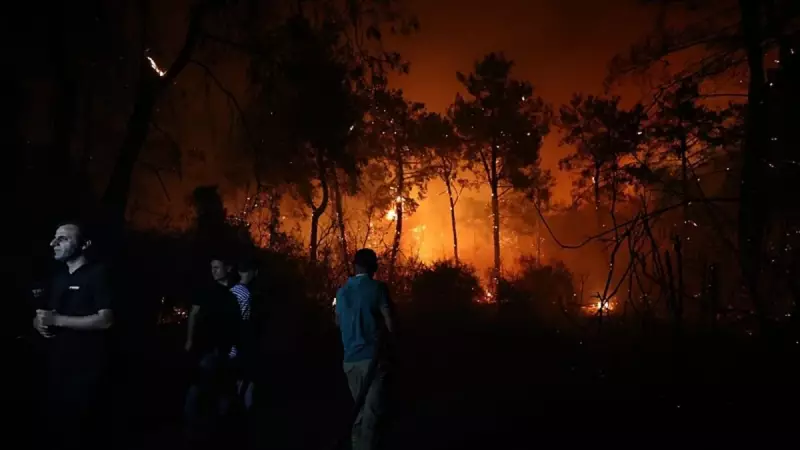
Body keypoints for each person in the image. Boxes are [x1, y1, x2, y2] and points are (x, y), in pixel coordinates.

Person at [33, 221, 115, 449]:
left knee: (81, 430)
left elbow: (106, 320)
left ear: (85, 244)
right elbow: (46, 313)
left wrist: (57, 320)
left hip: (86, 370)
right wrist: (37, 323)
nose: (54, 243)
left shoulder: (98, 274)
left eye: (64, 239)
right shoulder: (58, 278)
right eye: (54, 237)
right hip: (57, 365)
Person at [334, 248, 394, 450]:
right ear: (373, 267)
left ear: (355, 266)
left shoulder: (341, 291)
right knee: (372, 412)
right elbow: (391, 324)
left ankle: (356, 445)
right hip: (372, 360)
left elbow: (337, 321)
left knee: (359, 411)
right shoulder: (378, 289)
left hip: (349, 361)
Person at [183, 256, 242, 441]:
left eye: (217, 267)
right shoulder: (207, 291)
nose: (214, 271)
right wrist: (190, 340)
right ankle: (193, 429)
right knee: (199, 388)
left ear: (228, 268)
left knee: (220, 391)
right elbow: (194, 313)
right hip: (206, 348)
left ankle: (214, 431)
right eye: (212, 267)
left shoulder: (234, 294)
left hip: (223, 350)